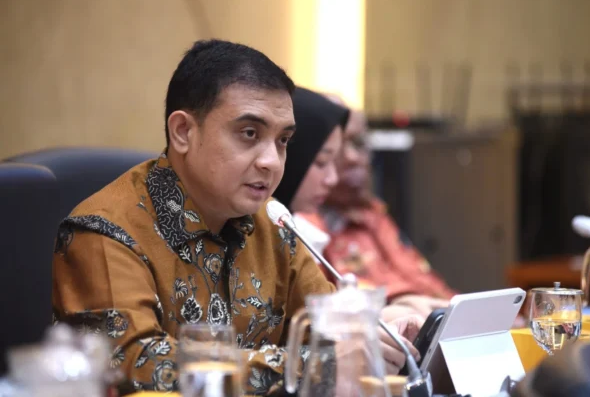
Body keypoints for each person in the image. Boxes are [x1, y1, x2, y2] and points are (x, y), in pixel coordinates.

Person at [52, 40, 415, 395]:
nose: (271, 162)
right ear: (183, 132)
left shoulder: (271, 222)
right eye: (249, 133)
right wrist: (316, 365)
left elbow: (329, 334)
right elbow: (137, 367)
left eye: (283, 140)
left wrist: (377, 341)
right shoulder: (105, 232)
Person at [273, 87, 422, 375]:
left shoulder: (287, 227)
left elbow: (326, 320)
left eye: (360, 144)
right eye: (321, 162)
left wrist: (381, 320)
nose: (332, 177)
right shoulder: (295, 228)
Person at [299, 100, 456, 320]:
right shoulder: (301, 225)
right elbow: (320, 315)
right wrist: (398, 304)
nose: (353, 157)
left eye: (359, 143)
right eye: (335, 148)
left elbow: (425, 281)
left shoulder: (371, 212)